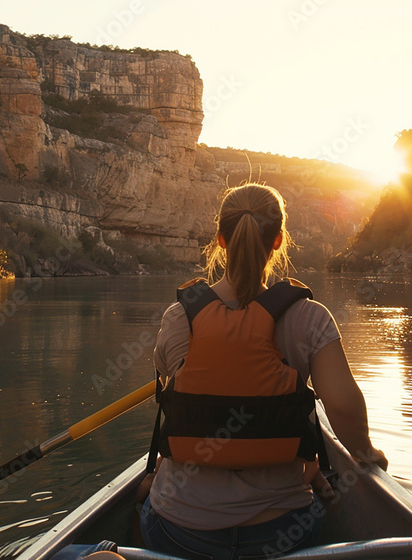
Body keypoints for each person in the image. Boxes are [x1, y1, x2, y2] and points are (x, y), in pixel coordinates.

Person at [138, 183, 387, 560]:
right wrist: (366, 451)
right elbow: (342, 406)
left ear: (221, 240)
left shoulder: (178, 318)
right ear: (278, 241)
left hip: (178, 533)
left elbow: (174, 391)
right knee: (319, 495)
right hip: (285, 534)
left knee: (145, 504)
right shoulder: (310, 317)